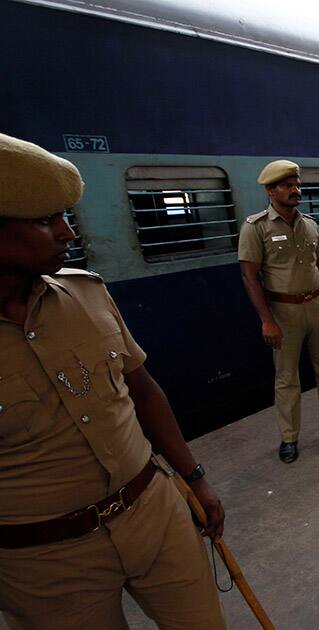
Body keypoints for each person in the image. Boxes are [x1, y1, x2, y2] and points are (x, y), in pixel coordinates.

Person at [0, 133, 226, 628]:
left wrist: (195, 480)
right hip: (44, 563)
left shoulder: (88, 295)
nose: (66, 232)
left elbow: (143, 391)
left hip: (154, 513)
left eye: (63, 216)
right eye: (44, 220)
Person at [238, 160, 319, 463]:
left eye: (297, 184)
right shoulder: (256, 227)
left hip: (318, 306)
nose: (295, 190)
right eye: (288, 186)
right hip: (283, 312)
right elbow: (250, 277)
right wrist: (266, 320)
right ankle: (289, 438)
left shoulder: (310, 225)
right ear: (271, 190)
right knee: (287, 377)